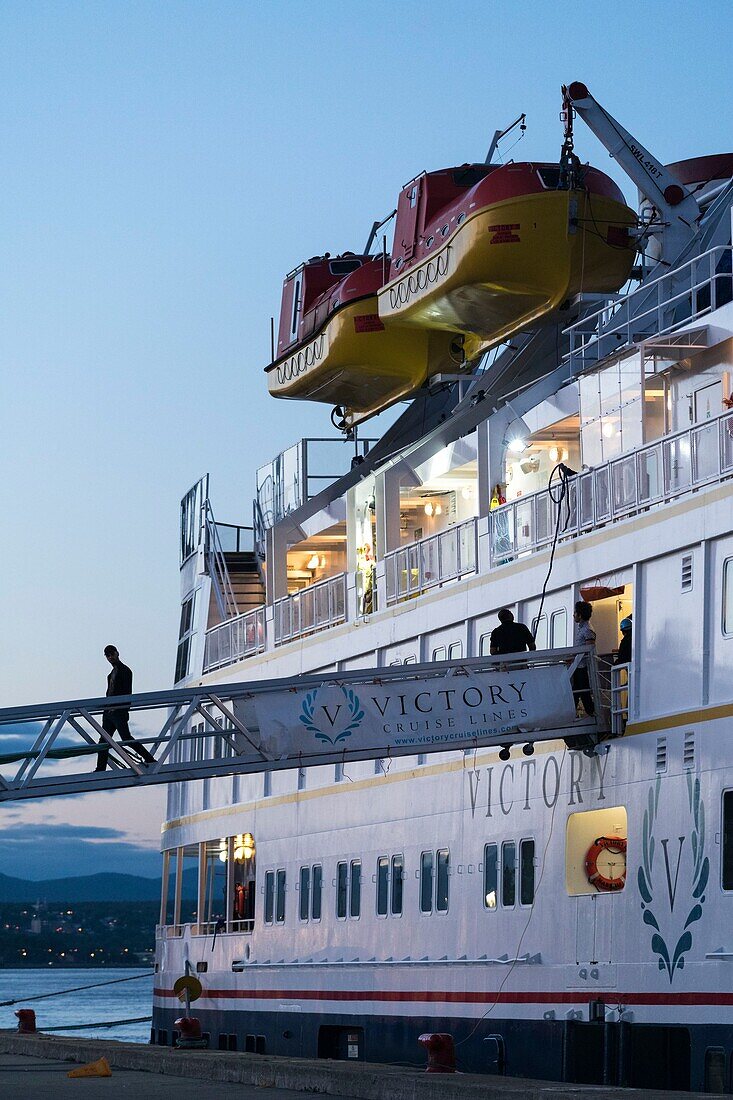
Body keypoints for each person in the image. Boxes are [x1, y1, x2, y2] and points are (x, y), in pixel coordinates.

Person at [95, 646, 155, 771]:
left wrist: (122, 708)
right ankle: (100, 768)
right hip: (109, 713)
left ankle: (149, 758)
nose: (110, 657)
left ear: (117, 653)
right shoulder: (111, 675)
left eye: (111, 654)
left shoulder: (125, 671)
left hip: (118, 712)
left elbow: (127, 692)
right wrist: (107, 709)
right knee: (104, 741)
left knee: (125, 738)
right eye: (108, 655)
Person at [572, 601, 596, 716]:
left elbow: (590, 648)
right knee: (577, 691)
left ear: (580, 615)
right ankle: (573, 712)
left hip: (582, 665)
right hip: (577, 664)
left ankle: (591, 712)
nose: (574, 615)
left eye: (575, 612)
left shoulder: (587, 629)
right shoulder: (582, 628)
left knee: (582, 690)